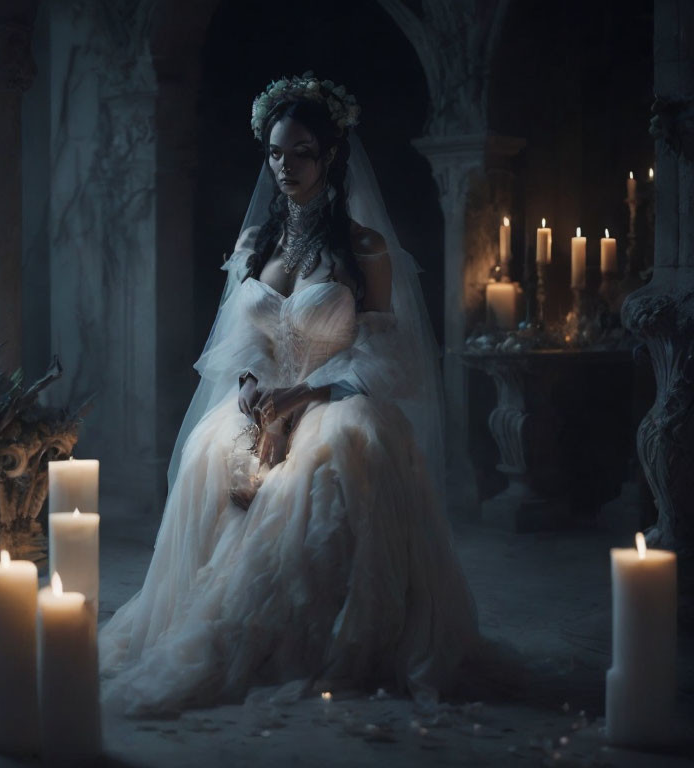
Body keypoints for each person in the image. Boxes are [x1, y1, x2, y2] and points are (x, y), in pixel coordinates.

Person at [99, 73, 478, 716]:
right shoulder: (257, 244)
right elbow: (239, 337)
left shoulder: (366, 247)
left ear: (330, 156)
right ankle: (220, 626)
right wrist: (249, 383)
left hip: (335, 398)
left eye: (301, 151)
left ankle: (308, 646)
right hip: (265, 401)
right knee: (207, 448)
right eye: (276, 152)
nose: (285, 166)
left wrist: (304, 395)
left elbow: (391, 357)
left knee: (333, 463)